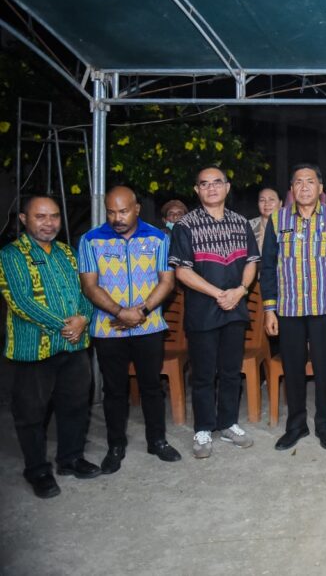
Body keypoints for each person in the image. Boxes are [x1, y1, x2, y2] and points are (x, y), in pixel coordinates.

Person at [79, 186, 181, 474]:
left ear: (137, 209)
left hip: (149, 326)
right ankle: (115, 445)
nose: (117, 218)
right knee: (114, 390)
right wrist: (120, 312)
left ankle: (157, 441)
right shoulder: (90, 240)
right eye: (111, 212)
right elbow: (89, 285)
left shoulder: (158, 238)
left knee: (151, 386)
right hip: (108, 328)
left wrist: (141, 312)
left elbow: (167, 281)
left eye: (123, 211)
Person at [0, 196, 96, 498]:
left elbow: (86, 291)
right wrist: (65, 326)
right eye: (40, 216)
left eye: (54, 216)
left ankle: (71, 458)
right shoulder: (12, 255)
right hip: (34, 349)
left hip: (74, 346)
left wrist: (83, 318)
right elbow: (21, 300)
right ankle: (38, 471)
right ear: (24, 219)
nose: (49, 223)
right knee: (31, 414)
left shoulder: (67, 252)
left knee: (75, 405)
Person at [169, 165, 260, 459]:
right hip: (203, 310)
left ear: (227, 187)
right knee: (204, 373)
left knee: (231, 371)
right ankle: (203, 428)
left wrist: (240, 291)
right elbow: (182, 272)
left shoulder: (241, 223)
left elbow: (251, 262)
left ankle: (229, 423)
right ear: (197, 190)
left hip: (235, 308)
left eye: (217, 182)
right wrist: (219, 294)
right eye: (204, 184)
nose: (211, 188)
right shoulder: (185, 225)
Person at [261, 164, 326, 452]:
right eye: (298, 182)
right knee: (293, 370)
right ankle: (296, 426)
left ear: (320, 188)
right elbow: (268, 267)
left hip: (325, 307)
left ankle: (325, 426)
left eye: (310, 181)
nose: (304, 187)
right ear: (291, 189)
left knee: (324, 370)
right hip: (289, 309)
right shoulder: (278, 219)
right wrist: (269, 309)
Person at [250, 187, 282, 255]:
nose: (267, 204)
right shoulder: (249, 226)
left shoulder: (289, 224)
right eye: (262, 200)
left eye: (271, 199)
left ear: (280, 203)